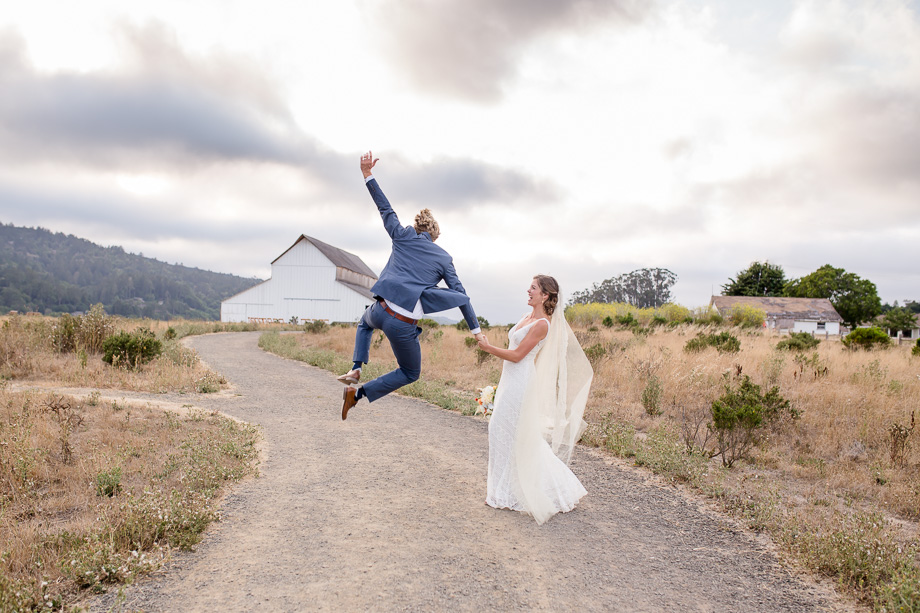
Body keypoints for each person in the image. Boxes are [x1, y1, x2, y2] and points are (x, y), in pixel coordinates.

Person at [339, 151, 484, 419]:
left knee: (364, 323)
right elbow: (462, 296)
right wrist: (476, 331)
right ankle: (357, 394)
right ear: (435, 236)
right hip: (402, 323)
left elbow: (386, 209)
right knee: (410, 372)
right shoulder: (443, 258)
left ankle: (356, 367)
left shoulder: (403, 235)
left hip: (379, 309)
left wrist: (367, 174)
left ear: (418, 230)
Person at [476, 275, 594, 524]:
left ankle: (516, 492)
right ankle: (501, 491)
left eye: (533, 288)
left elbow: (519, 355)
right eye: (530, 287)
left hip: (519, 380)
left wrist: (488, 348)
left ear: (545, 296)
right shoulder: (525, 318)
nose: (528, 290)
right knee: (502, 432)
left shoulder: (543, 324)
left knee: (510, 433)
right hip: (511, 380)